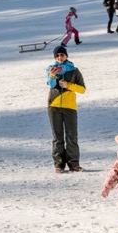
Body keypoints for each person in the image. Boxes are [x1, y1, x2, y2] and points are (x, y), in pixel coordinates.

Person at [47, 44, 86, 173]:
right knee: (57, 137)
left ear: (66, 55)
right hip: (54, 106)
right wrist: (52, 76)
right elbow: (52, 85)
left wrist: (68, 85)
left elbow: (82, 89)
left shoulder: (74, 70)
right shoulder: (51, 69)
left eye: (62, 54)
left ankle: (74, 163)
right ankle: (59, 164)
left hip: (70, 107)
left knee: (71, 136)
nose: (60, 57)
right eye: (57, 55)